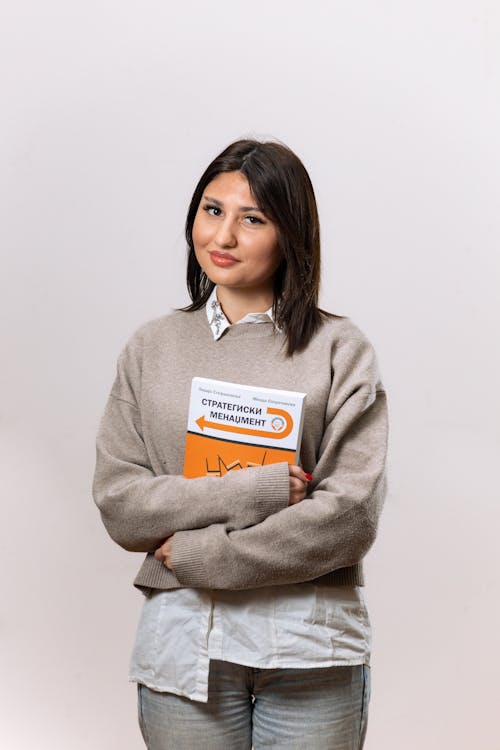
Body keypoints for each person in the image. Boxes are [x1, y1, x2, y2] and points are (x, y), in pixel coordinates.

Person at [93, 138, 389, 750]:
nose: (222, 237)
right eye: (211, 210)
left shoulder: (340, 349)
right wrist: (248, 490)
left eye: (252, 219)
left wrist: (209, 560)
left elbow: (349, 516)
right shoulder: (152, 347)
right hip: (183, 646)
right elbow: (122, 506)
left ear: (291, 234)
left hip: (309, 646)